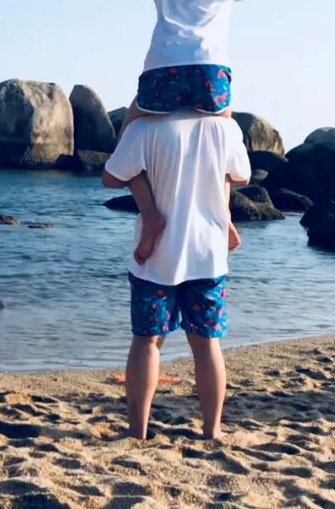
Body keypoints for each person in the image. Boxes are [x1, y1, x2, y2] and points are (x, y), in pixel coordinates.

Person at [33, 0, 335, 265]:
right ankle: (224, 218)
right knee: (222, 147)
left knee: (126, 141)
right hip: (211, 76)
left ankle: (150, 215)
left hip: (163, 73)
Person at [102, 110, 252, 440]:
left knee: (147, 341)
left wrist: (132, 118)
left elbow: (111, 175)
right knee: (207, 345)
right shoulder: (225, 128)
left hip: (156, 256)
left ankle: (138, 433)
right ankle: (212, 431)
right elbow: (240, 175)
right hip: (207, 254)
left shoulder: (144, 127)